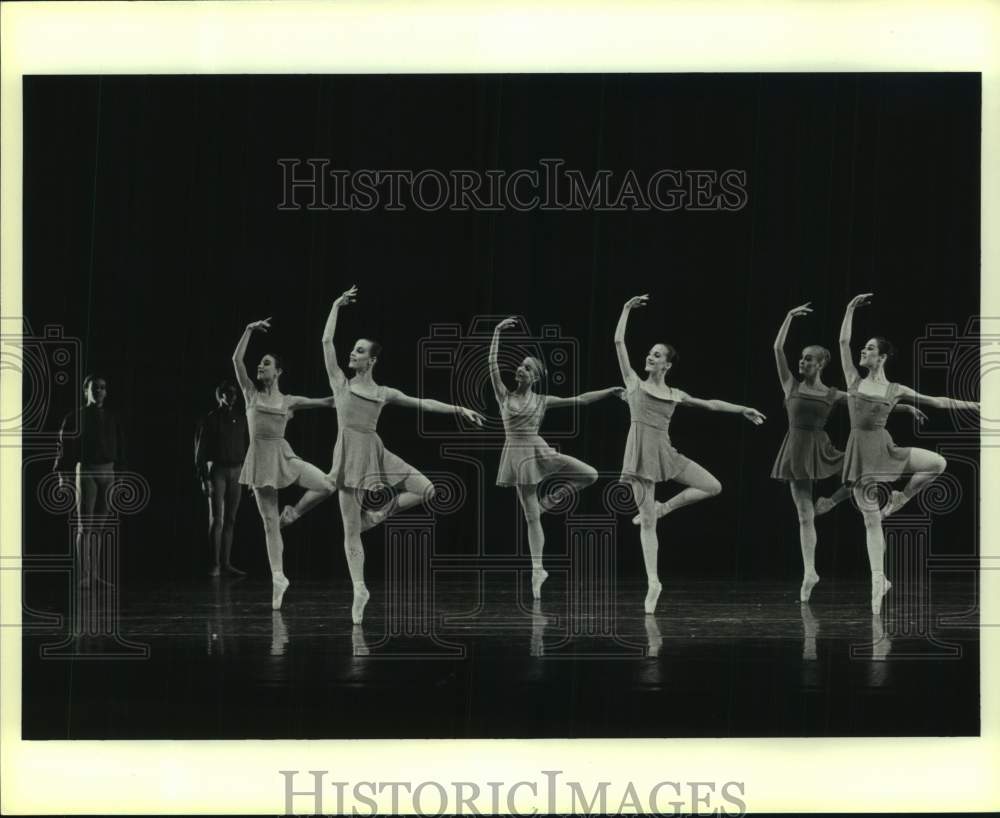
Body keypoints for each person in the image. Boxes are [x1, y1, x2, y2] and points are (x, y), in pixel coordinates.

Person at [322, 285, 485, 624]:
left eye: (359, 351)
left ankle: (378, 517)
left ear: (372, 360)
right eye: (352, 349)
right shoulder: (340, 383)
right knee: (350, 531)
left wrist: (459, 408)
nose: (352, 354)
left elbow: (423, 402)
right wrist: (336, 306)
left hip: (376, 451)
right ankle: (359, 590)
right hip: (349, 456)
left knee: (427, 489)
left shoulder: (383, 392)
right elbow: (326, 343)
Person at [614, 294, 766, 614]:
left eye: (657, 355)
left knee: (712, 486)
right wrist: (627, 309)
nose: (650, 357)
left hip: (665, 453)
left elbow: (710, 404)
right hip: (640, 455)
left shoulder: (674, 394)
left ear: (667, 364)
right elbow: (618, 341)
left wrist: (742, 410)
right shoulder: (633, 384)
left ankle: (663, 508)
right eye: (650, 353)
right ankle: (653, 582)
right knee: (647, 525)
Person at [772, 302, 926, 602]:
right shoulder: (789, 384)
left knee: (859, 471)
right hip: (795, 451)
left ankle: (833, 501)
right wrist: (788, 317)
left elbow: (869, 403)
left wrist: (905, 406)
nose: (801, 362)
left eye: (808, 359)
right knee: (805, 515)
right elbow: (778, 350)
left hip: (824, 449)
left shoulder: (833, 393)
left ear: (820, 364)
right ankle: (809, 573)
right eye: (801, 358)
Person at [838, 293, 979, 613]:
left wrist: (976, 405)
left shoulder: (896, 388)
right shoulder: (852, 379)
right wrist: (849, 309)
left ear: (882, 357)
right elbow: (843, 342)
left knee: (937, 463)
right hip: (861, 454)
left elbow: (937, 401)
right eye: (865, 347)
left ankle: (901, 498)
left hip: (886, 448)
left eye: (870, 348)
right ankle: (878, 580)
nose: (864, 350)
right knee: (871, 522)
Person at [490, 317, 623, 598]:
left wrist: (609, 391)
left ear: (535, 376)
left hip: (540, 451)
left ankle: (552, 499)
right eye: (521, 365)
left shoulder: (542, 400)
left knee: (590, 474)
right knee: (531, 517)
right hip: (516, 456)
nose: (520, 368)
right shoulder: (504, 395)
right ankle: (538, 570)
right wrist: (496, 332)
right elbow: (491, 365)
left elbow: (581, 399)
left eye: (527, 367)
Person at [232, 317, 337, 609]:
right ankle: (278, 578)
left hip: (284, 455)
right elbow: (236, 359)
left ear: (278, 371)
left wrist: (348, 390)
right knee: (268, 524)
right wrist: (248, 329)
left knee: (327, 485)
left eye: (266, 364)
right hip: (260, 461)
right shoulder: (250, 394)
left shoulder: (289, 400)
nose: (260, 367)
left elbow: (327, 402)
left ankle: (294, 513)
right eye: (260, 364)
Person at [54, 374, 126, 585]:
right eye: (95, 388)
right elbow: (63, 447)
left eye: (103, 388)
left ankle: (95, 574)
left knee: (99, 528)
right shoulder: (75, 417)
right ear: (86, 390)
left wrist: (120, 474)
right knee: (85, 526)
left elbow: (121, 447)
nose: (99, 391)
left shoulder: (113, 418)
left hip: (108, 472)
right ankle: (84, 575)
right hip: (86, 471)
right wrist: (61, 476)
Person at [195, 379, 250, 577]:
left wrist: (248, 475)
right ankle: (215, 564)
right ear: (221, 395)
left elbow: (247, 447)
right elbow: (200, 453)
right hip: (217, 471)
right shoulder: (210, 419)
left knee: (231, 519)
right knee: (217, 519)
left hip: (237, 471)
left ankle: (226, 563)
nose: (232, 396)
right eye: (228, 393)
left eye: (235, 393)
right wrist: (204, 479)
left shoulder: (241, 418)